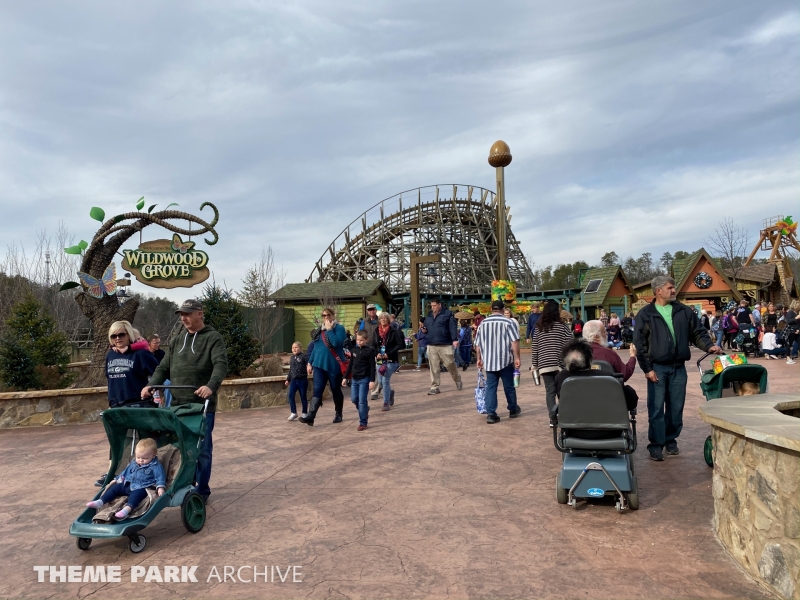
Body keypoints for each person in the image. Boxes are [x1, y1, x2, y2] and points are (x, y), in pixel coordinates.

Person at [141, 299, 228, 503]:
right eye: (181, 314)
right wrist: (151, 384)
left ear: (200, 314)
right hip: (177, 406)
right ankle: (182, 485)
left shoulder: (213, 338)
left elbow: (220, 365)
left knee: (202, 449)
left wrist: (211, 386)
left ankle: (201, 491)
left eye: (187, 313)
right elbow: (163, 367)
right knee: (177, 447)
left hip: (201, 406)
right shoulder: (177, 340)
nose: (183, 318)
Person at [633, 276, 720, 462]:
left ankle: (670, 439)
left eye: (674, 287)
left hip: (678, 368)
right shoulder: (646, 314)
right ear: (658, 291)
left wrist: (708, 346)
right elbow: (639, 344)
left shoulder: (683, 311)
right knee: (656, 408)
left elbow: (698, 332)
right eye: (670, 288)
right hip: (657, 368)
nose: (674, 291)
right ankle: (656, 444)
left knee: (676, 408)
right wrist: (647, 369)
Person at [94, 320, 160, 487]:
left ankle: (150, 473)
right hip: (116, 406)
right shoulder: (110, 355)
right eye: (114, 336)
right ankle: (113, 472)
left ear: (129, 335)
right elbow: (111, 380)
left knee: (143, 441)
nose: (117, 338)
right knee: (117, 440)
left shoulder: (141, 354)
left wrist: (150, 387)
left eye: (121, 334)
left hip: (138, 405)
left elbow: (159, 373)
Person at [86, 438, 166, 521]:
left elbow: (160, 477)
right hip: (127, 484)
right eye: (138, 457)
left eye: (145, 458)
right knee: (114, 488)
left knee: (135, 497)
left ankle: (126, 510)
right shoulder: (134, 463)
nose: (140, 460)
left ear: (154, 455)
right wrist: (117, 479)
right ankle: (100, 502)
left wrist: (160, 487)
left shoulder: (155, 466)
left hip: (141, 487)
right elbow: (125, 472)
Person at [554, 338, 639, 412]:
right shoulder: (606, 377)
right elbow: (631, 401)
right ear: (590, 359)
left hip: (573, 423)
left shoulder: (561, 377)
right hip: (605, 422)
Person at [474, 300, 521, 424]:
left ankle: (491, 413)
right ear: (503, 309)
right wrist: (517, 357)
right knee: (509, 386)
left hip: (489, 361)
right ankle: (513, 409)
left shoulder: (483, 323)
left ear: (491, 309)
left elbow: (478, 344)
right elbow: (514, 342)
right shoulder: (508, 322)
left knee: (491, 387)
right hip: (505, 360)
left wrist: (479, 359)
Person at [299, 307, 347, 426]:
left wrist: (329, 329)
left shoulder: (339, 329)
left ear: (333, 316)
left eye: (328, 315)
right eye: (324, 315)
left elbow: (336, 342)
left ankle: (338, 413)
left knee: (335, 389)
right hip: (319, 365)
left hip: (333, 365)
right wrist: (310, 362)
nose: (326, 317)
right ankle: (311, 416)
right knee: (317, 389)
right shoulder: (319, 331)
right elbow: (316, 349)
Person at [531, 300, 573, 425]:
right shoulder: (562, 326)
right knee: (562, 391)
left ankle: (552, 418)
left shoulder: (539, 328)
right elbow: (569, 343)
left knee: (550, 391)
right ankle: (564, 415)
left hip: (544, 364)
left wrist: (534, 365)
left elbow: (535, 347)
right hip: (560, 363)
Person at [421, 297, 462, 395]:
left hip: (445, 344)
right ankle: (434, 387)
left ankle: (457, 379)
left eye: (434, 305)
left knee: (450, 364)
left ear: (439, 305)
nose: (433, 307)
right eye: (431, 306)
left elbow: (452, 327)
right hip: (431, 344)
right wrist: (424, 330)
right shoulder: (429, 315)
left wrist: (454, 339)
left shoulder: (448, 314)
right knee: (434, 367)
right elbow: (427, 327)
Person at [345, 330, 377, 431]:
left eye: (361, 340)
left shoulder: (369, 351)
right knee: (354, 399)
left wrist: (372, 380)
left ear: (366, 340)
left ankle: (363, 422)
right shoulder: (353, 350)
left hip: (365, 379)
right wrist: (345, 377)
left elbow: (372, 367)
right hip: (355, 379)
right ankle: (364, 410)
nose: (359, 342)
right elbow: (350, 364)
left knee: (362, 401)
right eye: (358, 340)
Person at [372, 312, 404, 411]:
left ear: (388, 320)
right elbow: (373, 345)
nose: (383, 320)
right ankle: (390, 393)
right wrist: (376, 353)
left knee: (385, 380)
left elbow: (400, 345)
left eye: (385, 318)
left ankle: (385, 403)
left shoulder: (393, 331)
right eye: (381, 318)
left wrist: (389, 353)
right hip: (380, 359)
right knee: (380, 381)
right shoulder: (376, 331)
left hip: (391, 359)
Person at [284, 342, 309, 420]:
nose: (294, 349)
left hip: (302, 380)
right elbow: (291, 370)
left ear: (300, 348)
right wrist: (288, 379)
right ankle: (293, 412)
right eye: (293, 348)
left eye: (296, 347)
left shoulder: (304, 356)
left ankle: (304, 413)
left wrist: (310, 367)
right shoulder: (292, 358)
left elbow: (309, 364)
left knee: (303, 396)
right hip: (294, 381)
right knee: (290, 395)